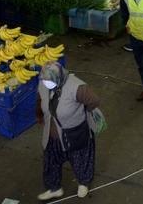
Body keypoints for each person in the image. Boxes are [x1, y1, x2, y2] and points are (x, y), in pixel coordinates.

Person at [36, 61, 100, 201]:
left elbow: (93, 101)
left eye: (49, 81)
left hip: (74, 133)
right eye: (45, 81)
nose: (47, 84)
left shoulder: (77, 87)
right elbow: (40, 98)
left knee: (80, 159)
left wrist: (80, 114)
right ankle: (54, 188)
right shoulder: (43, 83)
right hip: (52, 134)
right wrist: (40, 114)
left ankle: (83, 183)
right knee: (51, 160)